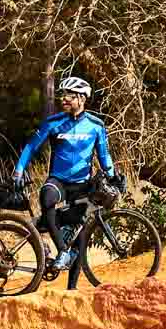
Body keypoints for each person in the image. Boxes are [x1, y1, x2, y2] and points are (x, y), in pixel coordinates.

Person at [14, 76, 115, 270]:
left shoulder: (96, 125)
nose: (64, 99)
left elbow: (104, 156)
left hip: (82, 185)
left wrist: (112, 174)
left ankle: (72, 289)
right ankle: (62, 251)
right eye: (63, 94)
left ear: (82, 99)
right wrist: (18, 171)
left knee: (79, 238)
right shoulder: (53, 123)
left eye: (69, 95)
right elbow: (30, 147)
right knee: (47, 196)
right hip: (58, 180)